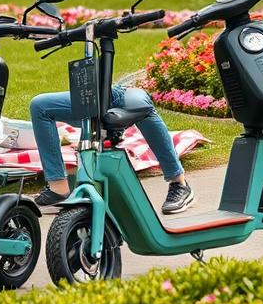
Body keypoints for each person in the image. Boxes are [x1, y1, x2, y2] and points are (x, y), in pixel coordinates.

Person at [29, 86, 194, 214]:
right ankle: (59, 190)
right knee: (40, 106)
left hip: (116, 94)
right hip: (91, 95)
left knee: (140, 103)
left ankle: (179, 183)